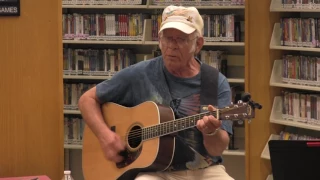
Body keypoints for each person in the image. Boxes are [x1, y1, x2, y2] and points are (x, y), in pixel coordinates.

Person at [78, 5, 234, 180]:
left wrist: (210, 132)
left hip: (205, 170)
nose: (172, 46)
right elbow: (87, 100)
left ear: (198, 44)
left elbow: (216, 149)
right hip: (154, 171)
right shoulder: (140, 74)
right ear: (159, 40)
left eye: (181, 39)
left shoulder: (215, 82)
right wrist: (105, 136)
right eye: (167, 38)